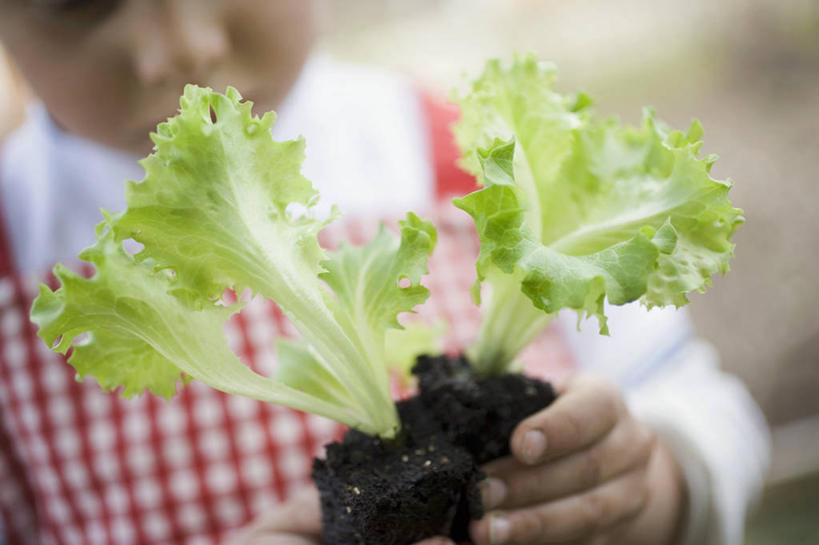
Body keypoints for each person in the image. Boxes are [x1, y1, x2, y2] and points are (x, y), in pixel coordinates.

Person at [0, 2, 769, 545]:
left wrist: (648, 487)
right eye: (76, 2)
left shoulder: (468, 152)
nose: (181, 45)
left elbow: (709, 412)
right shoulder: (14, 253)